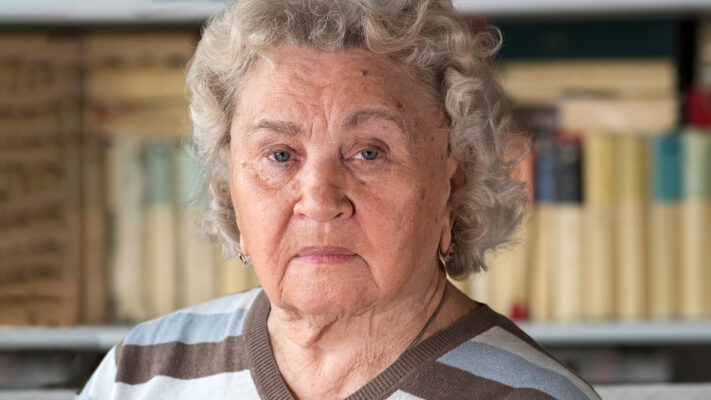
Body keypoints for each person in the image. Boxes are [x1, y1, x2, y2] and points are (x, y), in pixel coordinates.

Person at [80, 0, 600, 399]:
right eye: (280, 155)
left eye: (369, 152)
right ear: (227, 182)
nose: (320, 200)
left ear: (452, 182)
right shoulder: (140, 376)